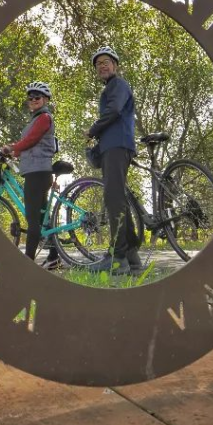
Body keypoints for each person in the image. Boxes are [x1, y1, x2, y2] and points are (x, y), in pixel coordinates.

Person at [84, 46, 141, 274]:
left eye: (106, 62)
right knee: (118, 199)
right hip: (112, 145)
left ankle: (116, 256)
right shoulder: (111, 88)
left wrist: (93, 129)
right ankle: (131, 256)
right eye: (98, 64)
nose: (102, 66)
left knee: (113, 199)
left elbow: (115, 110)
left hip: (117, 145)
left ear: (115, 66)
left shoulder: (118, 84)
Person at [1, 81, 61, 270]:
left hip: (38, 172)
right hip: (37, 171)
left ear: (45, 99)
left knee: (32, 218)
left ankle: (27, 262)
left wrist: (14, 148)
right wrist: (13, 147)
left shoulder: (44, 117)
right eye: (31, 98)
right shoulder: (35, 119)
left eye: (38, 97)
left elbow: (32, 140)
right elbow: (28, 141)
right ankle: (54, 256)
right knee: (42, 218)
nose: (33, 100)